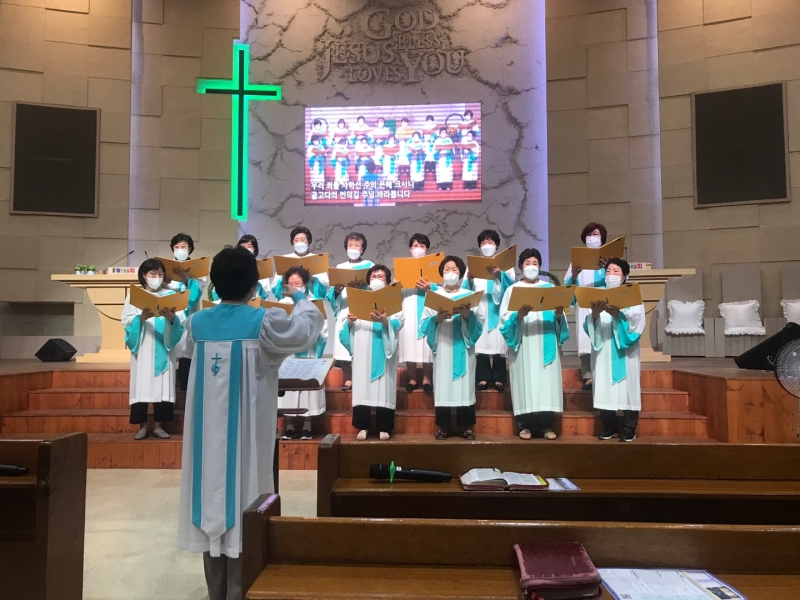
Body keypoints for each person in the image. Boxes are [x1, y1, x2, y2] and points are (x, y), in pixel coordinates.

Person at [177, 246, 323, 600]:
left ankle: (216, 592)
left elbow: (184, 351)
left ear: (215, 284)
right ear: (254, 286)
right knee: (246, 500)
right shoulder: (264, 321)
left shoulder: (196, 324)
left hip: (205, 442)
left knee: (210, 501)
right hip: (247, 439)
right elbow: (305, 331)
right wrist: (300, 297)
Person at [500, 249, 569, 440]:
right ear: (521, 266)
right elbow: (504, 321)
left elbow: (560, 318)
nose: (531, 266)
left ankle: (546, 426)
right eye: (527, 263)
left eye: (535, 263)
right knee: (524, 382)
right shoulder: (512, 290)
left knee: (546, 384)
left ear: (540, 266)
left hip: (546, 342)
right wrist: (518, 316)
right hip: (524, 343)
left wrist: (558, 315)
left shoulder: (549, 289)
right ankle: (524, 426)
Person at [420, 255, 485, 440]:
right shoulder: (435, 296)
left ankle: (466, 426)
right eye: (447, 269)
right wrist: (436, 319)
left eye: (454, 269)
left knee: (464, 386)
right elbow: (423, 324)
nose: (450, 272)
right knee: (443, 386)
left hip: (463, 347)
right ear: (441, 273)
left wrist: (467, 315)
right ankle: (443, 426)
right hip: (443, 347)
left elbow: (480, 322)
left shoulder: (468, 295)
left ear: (461, 273)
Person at [121, 259, 185, 440]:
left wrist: (172, 319)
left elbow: (181, 321)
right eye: (153, 274)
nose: (157, 277)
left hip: (163, 345)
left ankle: (158, 426)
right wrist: (140, 319)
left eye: (160, 274)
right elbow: (126, 320)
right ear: (144, 275)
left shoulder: (171, 295)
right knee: (141, 386)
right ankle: (142, 427)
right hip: (143, 347)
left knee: (162, 387)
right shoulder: (135, 296)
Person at [584, 257, 645, 442]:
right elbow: (588, 324)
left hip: (625, 351)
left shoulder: (632, 296)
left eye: (616, 271)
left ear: (624, 276)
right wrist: (595, 315)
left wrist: (619, 316)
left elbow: (637, 324)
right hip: (603, 349)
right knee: (604, 386)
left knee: (628, 387)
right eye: (608, 271)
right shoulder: (596, 295)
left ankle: (629, 427)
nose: (611, 274)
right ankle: (609, 426)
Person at [341, 265, 404, 440]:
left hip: (384, 347)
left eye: (381, 276)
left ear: (387, 281)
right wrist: (350, 322)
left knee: (384, 387)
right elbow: (347, 323)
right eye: (373, 276)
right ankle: (363, 426)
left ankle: (384, 427)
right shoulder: (358, 297)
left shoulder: (392, 298)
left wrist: (386, 321)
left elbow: (400, 321)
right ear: (368, 279)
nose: (376, 278)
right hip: (363, 346)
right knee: (362, 386)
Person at [278, 266, 328, 440]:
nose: (294, 287)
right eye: (291, 283)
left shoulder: (314, 303)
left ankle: (307, 426)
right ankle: (289, 427)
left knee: (308, 391)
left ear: (305, 284)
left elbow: (323, 328)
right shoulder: (281, 304)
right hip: (288, 354)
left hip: (309, 352)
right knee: (288, 391)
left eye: (298, 283)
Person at [464, 229, 515, 393]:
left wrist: (500, 275)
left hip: (498, 310)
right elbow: (465, 290)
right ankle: (483, 377)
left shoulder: (506, 266)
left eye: (490, 242)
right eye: (483, 243)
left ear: (497, 245)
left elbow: (512, 288)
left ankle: (499, 378)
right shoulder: (473, 265)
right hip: (481, 309)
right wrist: (470, 281)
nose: (487, 245)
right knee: (481, 345)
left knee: (499, 345)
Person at [326, 232, 374, 391]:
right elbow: (331, 294)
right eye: (350, 245)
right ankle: (348, 379)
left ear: (362, 249)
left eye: (357, 245)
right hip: (345, 308)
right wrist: (337, 291)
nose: (353, 248)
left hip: (362, 309)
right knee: (344, 347)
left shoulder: (370, 265)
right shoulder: (340, 267)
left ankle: (362, 379)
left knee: (362, 345)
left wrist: (362, 287)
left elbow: (376, 288)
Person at [565, 222, 608, 390]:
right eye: (589, 235)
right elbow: (568, 286)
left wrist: (607, 269)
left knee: (603, 338)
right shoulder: (577, 261)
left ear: (602, 237)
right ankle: (588, 376)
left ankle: (603, 373)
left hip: (602, 304)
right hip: (584, 305)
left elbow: (619, 279)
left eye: (595, 234)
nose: (592, 238)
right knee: (585, 340)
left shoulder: (608, 260)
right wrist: (574, 276)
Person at [167, 233, 205, 390]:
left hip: (188, 316)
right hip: (170, 316)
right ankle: (169, 381)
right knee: (171, 347)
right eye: (176, 247)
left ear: (190, 249)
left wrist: (187, 280)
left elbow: (194, 296)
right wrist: (163, 282)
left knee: (187, 349)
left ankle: (185, 382)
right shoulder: (166, 269)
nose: (180, 250)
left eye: (183, 247)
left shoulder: (198, 270)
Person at [399, 233, 436, 393]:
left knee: (427, 344)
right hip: (408, 304)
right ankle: (412, 378)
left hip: (427, 306)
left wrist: (430, 286)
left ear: (427, 249)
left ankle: (427, 378)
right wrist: (398, 285)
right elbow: (396, 290)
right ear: (410, 249)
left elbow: (439, 288)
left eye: (422, 246)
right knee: (409, 342)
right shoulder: (403, 267)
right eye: (416, 246)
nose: (419, 249)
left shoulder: (433, 267)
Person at [271, 226, 329, 299]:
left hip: (311, 299)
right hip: (290, 299)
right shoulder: (285, 259)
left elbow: (324, 286)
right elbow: (275, 287)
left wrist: (312, 279)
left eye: (302, 240)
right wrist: (284, 279)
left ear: (308, 241)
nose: (299, 243)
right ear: (292, 242)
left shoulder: (317, 259)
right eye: (296, 240)